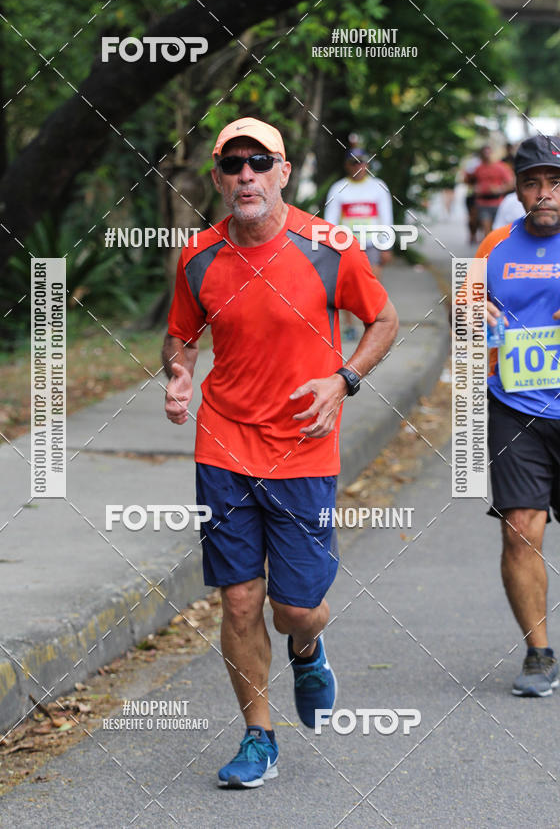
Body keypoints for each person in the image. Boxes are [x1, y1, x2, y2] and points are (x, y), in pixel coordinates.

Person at [162, 117, 398, 786]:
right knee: (239, 601)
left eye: (259, 162)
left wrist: (344, 378)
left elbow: (384, 320)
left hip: (302, 451)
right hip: (224, 444)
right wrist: (178, 373)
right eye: (232, 164)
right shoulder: (198, 256)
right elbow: (180, 335)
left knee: (295, 605)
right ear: (217, 177)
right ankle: (258, 737)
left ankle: (308, 645)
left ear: (284, 172)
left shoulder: (330, 249)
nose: (246, 176)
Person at [475, 135, 560, 696]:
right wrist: (472, 307)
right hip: (516, 406)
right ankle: (538, 653)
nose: (545, 193)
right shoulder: (495, 246)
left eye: (556, 183)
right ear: (518, 188)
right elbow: (463, 324)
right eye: (533, 182)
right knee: (519, 530)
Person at [324, 148, 394, 340]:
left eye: (362, 162)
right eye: (354, 162)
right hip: (347, 245)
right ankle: (349, 325)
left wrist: (386, 246)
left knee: (372, 286)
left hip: (372, 244)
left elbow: (386, 218)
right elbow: (330, 221)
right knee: (347, 287)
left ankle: (372, 323)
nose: (359, 166)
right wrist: (331, 247)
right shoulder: (338, 188)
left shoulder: (378, 186)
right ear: (347, 165)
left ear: (368, 164)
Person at [465, 144, 514, 240]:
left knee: (497, 231)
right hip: (483, 203)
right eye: (484, 153)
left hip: (498, 203)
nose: (486, 155)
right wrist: (475, 187)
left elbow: (511, 183)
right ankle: (488, 251)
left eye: (488, 152)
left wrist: (500, 189)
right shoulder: (477, 168)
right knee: (487, 232)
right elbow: (468, 181)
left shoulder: (501, 167)